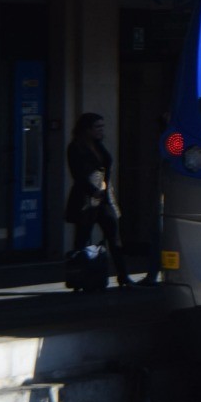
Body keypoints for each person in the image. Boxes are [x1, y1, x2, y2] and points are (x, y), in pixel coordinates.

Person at [64, 112, 134, 288]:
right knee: (82, 238)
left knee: (114, 236)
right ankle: (79, 276)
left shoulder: (98, 145)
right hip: (86, 199)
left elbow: (106, 168)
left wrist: (104, 190)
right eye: (97, 127)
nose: (101, 130)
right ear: (86, 129)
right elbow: (77, 174)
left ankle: (123, 276)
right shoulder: (76, 147)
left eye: (102, 126)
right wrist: (92, 190)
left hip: (103, 197)